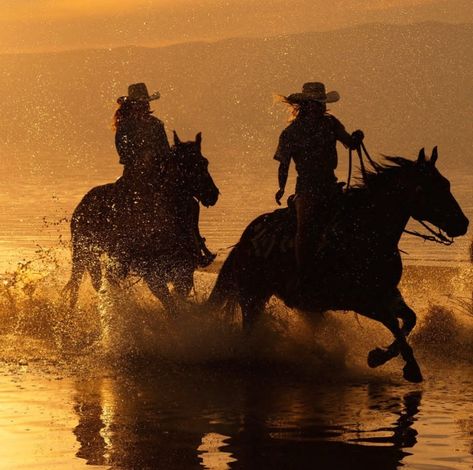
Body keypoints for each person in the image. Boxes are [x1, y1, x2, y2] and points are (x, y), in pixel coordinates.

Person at [113, 82, 215, 267]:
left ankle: (196, 244)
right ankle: (128, 250)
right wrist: (141, 158)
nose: (144, 106)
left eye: (145, 103)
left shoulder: (156, 125)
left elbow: (165, 151)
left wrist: (162, 161)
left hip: (158, 174)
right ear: (133, 105)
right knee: (132, 205)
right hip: (134, 175)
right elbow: (123, 153)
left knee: (190, 203)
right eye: (140, 103)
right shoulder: (125, 126)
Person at [273, 82, 364, 287]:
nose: (315, 107)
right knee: (304, 230)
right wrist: (281, 187)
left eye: (318, 103)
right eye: (312, 103)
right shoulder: (291, 132)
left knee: (355, 218)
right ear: (304, 105)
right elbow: (284, 164)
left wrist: (356, 138)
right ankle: (303, 275)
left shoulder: (331, 124)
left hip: (330, 184)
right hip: (306, 188)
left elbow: (350, 144)